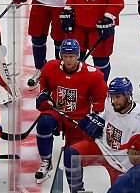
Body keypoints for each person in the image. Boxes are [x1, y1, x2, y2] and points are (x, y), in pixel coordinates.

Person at [62, 77, 140, 193]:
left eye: (118, 97)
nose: (114, 101)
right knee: (71, 154)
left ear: (128, 95)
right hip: (102, 147)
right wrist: (98, 120)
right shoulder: (110, 103)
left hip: (121, 163)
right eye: (112, 97)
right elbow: (106, 114)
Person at [33, 38, 108, 183]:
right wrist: (42, 98)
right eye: (66, 56)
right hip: (57, 113)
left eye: (72, 56)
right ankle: (46, 162)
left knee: (73, 154)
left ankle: (76, 189)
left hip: (79, 119)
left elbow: (101, 98)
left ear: (78, 56)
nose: (68, 60)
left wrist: (96, 117)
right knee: (44, 121)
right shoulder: (50, 67)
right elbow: (45, 88)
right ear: (61, 55)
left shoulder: (93, 74)